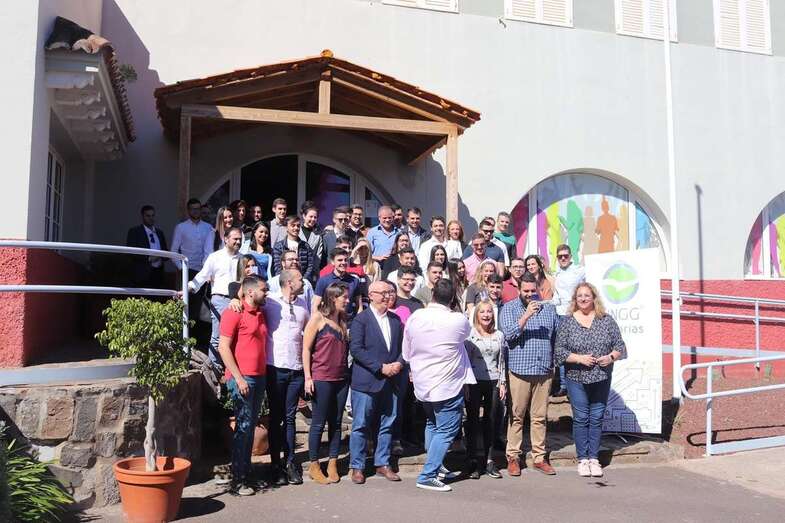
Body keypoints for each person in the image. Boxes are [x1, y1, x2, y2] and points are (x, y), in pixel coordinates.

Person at [403, 279, 474, 492]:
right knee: (446, 430)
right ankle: (428, 474)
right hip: (446, 385)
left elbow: (407, 351)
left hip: (423, 382)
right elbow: (466, 334)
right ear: (453, 298)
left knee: (433, 425)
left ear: (432, 294)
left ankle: (437, 465)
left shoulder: (415, 316)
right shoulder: (457, 320)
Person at [555, 283, 627, 478]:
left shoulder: (606, 320)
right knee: (581, 417)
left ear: (594, 297)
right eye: (580, 296)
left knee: (596, 418)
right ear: (575, 299)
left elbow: (620, 346)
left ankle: (594, 458)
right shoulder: (567, 322)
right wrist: (579, 358)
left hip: (601, 377)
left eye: (587, 295)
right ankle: (582, 459)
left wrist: (610, 357)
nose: (584, 299)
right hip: (576, 378)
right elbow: (559, 352)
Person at [499, 272, 559, 477]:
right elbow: (508, 335)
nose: (530, 295)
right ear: (519, 290)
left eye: (534, 291)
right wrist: (525, 316)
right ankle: (513, 457)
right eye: (526, 291)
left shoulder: (549, 310)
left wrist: (555, 363)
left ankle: (539, 457)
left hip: (543, 371)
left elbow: (557, 337)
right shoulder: (509, 308)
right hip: (519, 371)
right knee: (517, 416)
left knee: (539, 417)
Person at [348, 281, 405, 484]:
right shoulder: (361, 320)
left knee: (387, 424)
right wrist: (380, 367)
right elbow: (356, 349)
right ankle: (357, 466)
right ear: (371, 295)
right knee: (361, 425)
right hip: (367, 381)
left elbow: (403, 348)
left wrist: (398, 363)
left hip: (392, 381)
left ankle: (382, 463)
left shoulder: (396, 320)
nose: (388, 296)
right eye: (383, 293)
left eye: (390, 292)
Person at [217, 274, 269, 496]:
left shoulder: (260, 312)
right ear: (250, 292)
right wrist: (238, 378)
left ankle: (246, 472)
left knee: (249, 427)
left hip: (259, 376)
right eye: (263, 290)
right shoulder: (232, 313)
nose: (266, 293)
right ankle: (238, 480)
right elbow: (223, 347)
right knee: (244, 427)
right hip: (242, 378)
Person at [264, 269, 310, 486]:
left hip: (296, 369)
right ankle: (275, 465)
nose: (304, 281)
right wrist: (236, 300)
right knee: (276, 417)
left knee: (290, 417)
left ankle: (290, 462)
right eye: (300, 279)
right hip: (275, 367)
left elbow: (307, 334)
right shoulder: (271, 301)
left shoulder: (303, 304)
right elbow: (244, 293)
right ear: (289, 283)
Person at [303, 282, 351, 484]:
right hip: (322, 377)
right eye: (344, 298)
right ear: (333, 298)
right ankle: (314, 464)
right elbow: (306, 349)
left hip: (341, 378)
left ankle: (332, 462)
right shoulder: (317, 318)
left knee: (337, 422)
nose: (347, 301)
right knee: (318, 423)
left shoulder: (342, 320)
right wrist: (308, 376)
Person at [187, 227, 243, 368]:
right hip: (220, 299)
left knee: (236, 336)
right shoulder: (215, 257)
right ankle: (215, 370)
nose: (238, 242)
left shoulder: (242, 258)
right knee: (218, 335)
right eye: (235, 239)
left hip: (239, 301)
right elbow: (202, 276)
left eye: (240, 239)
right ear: (226, 239)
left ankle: (230, 369)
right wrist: (187, 288)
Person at [464, 300, 506, 479]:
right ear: (477, 315)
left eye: (489, 312)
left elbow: (502, 360)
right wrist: (465, 383)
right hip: (474, 381)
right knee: (473, 420)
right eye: (482, 312)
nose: (486, 315)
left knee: (491, 420)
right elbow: (464, 360)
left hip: (494, 381)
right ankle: (473, 460)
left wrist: (503, 382)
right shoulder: (469, 335)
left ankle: (489, 460)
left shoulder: (499, 335)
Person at [171, 198, 213, 326]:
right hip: (187, 270)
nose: (196, 211)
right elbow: (173, 251)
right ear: (188, 210)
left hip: (203, 271)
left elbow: (209, 251)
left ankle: (197, 338)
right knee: (185, 304)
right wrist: (181, 268)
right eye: (193, 209)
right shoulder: (181, 227)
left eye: (198, 208)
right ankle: (183, 337)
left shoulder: (208, 227)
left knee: (200, 306)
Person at [553, 244, 586, 395]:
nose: (563, 258)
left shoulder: (579, 271)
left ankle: (578, 382)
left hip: (575, 314)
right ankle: (564, 384)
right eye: (560, 256)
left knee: (578, 347)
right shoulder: (556, 273)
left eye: (566, 255)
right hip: (560, 314)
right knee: (561, 349)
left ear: (571, 256)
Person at [313, 248, 363, 322]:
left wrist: (358, 323)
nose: (343, 262)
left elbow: (359, 306)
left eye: (345, 260)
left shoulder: (354, 281)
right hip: (328, 321)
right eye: (340, 260)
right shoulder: (323, 281)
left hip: (348, 322)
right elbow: (316, 306)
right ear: (332, 262)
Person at [126, 204, 168, 288]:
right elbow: (131, 252)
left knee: (157, 298)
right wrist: (149, 258)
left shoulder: (159, 232)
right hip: (142, 274)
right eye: (148, 216)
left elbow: (164, 250)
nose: (151, 218)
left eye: (153, 215)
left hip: (158, 273)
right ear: (142, 216)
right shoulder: (135, 231)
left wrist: (165, 255)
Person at [272, 215, 316, 284]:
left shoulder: (305, 246)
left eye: (298, 226)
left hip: (302, 282)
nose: (296, 228)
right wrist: (284, 281)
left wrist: (302, 280)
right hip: (285, 283)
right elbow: (277, 266)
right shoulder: (279, 246)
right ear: (286, 227)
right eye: (293, 225)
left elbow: (310, 266)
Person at [300, 202, 325, 268]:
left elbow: (318, 256)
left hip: (311, 270)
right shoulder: (297, 231)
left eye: (315, 217)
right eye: (311, 217)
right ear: (304, 216)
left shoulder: (318, 235)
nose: (313, 219)